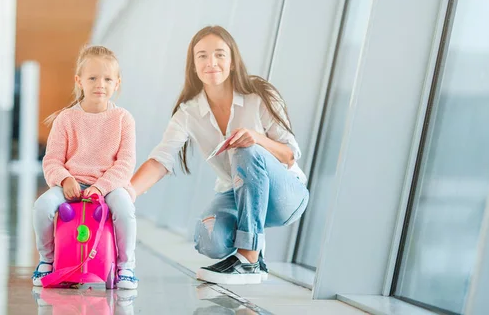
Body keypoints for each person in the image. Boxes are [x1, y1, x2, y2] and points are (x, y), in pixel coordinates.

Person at [130, 26, 309, 284]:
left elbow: (290, 156)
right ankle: (254, 238)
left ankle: (249, 257)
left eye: (219, 55)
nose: (211, 62)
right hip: (236, 194)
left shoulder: (259, 96)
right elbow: (162, 159)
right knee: (209, 240)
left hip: (285, 195)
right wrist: (128, 193)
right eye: (202, 56)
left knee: (244, 149)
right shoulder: (188, 112)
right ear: (193, 65)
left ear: (233, 62)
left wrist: (256, 138)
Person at [32, 45, 138, 289]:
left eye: (107, 79)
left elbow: (125, 163)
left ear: (117, 83)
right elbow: (52, 160)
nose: (100, 84)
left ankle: (126, 266)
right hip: (73, 182)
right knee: (42, 206)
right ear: (79, 81)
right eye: (92, 78)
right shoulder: (67, 119)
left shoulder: (123, 119)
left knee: (124, 207)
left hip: (110, 185)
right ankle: (47, 261)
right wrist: (65, 180)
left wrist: (101, 188)